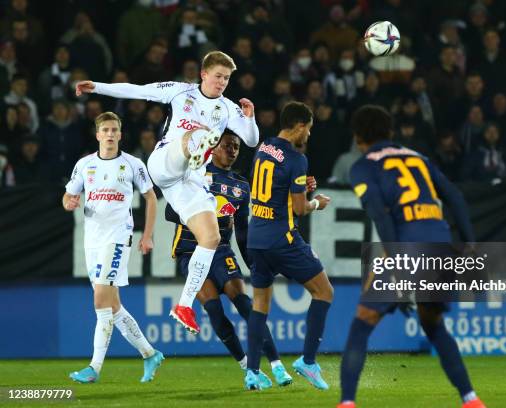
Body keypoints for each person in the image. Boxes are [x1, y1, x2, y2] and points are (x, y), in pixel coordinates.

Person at [75, 51, 259, 335]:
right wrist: (97, 87)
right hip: (164, 162)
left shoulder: (228, 108)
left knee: (211, 238)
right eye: (218, 76)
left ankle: (184, 306)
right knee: (194, 135)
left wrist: (250, 118)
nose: (222, 82)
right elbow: (137, 91)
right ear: (204, 74)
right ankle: (199, 147)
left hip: (188, 182)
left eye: (227, 78)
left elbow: (251, 139)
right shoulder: (179, 91)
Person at [337, 105, 486, 408]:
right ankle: (470, 399)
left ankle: (347, 403)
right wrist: (469, 241)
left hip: (405, 246)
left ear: (357, 137)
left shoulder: (363, 166)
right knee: (433, 324)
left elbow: (381, 215)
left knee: (362, 322)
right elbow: (454, 196)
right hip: (440, 246)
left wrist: (395, 262)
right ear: (390, 132)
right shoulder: (419, 158)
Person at [167, 130, 292, 387]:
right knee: (213, 308)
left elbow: (243, 232)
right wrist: (202, 209)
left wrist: (254, 266)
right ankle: (247, 367)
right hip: (191, 252)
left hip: (222, 251)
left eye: (236, 146)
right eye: (227, 145)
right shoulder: (196, 175)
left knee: (246, 305)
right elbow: (170, 211)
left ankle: (278, 365)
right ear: (214, 147)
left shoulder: (241, 186)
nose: (232, 150)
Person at [62, 112, 163, 384]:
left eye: (113, 130)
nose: (109, 134)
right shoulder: (84, 165)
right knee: (114, 305)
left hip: (118, 237)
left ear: (120, 134)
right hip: (92, 239)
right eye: (104, 129)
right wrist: (69, 202)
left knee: (100, 301)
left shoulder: (132, 164)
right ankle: (149, 353)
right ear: (97, 135)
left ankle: (94, 368)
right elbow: (68, 194)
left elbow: (151, 199)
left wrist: (148, 235)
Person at [245, 101, 333, 391]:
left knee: (260, 306)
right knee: (324, 292)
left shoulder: (263, 148)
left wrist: (299, 186)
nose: (308, 135)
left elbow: (275, 187)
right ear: (298, 126)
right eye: (308, 129)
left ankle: (253, 372)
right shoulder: (297, 159)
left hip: (255, 237)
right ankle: (308, 361)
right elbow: (299, 209)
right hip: (282, 239)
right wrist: (316, 202)